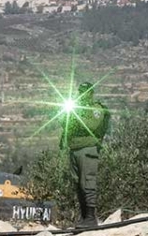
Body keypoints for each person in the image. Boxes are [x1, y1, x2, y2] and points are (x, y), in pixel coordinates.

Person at [60, 82, 110, 229]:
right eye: (80, 91)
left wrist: (75, 117)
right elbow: (63, 122)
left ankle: (90, 217)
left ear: (91, 93)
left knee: (88, 182)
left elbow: (91, 125)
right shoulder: (77, 108)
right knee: (78, 184)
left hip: (88, 149)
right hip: (74, 149)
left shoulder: (96, 108)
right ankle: (84, 217)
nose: (82, 94)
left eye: (85, 91)